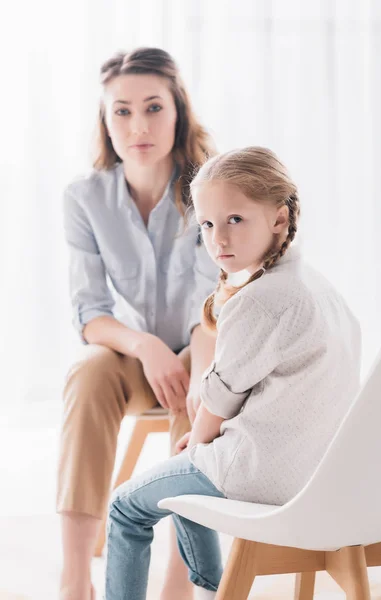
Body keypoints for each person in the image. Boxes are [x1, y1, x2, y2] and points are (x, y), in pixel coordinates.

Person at [104, 146, 362, 600]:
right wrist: (197, 444)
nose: (217, 239)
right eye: (206, 224)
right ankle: (213, 589)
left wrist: (197, 440)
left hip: (262, 472)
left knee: (125, 508)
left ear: (279, 219)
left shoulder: (259, 300)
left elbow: (221, 399)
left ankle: (213, 586)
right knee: (182, 474)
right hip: (321, 470)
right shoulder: (321, 289)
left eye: (235, 220)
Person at [57, 47, 218, 600]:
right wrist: (145, 345)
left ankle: (179, 582)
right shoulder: (85, 198)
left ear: (178, 110)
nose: (139, 125)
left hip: (206, 341)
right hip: (133, 353)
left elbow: (214, 308)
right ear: (105, 121)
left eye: (153, 107)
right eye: (121, 111)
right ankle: (76, 575)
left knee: (200, 388)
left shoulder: (209, 189)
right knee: (89, 374)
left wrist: (197, 372)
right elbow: (89, 314)